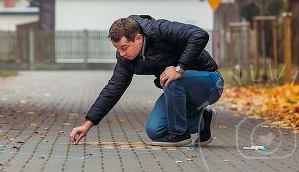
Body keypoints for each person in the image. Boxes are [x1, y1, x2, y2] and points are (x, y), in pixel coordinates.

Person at [70, 15, 225, 147]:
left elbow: (199, 35)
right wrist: (87, 124)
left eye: (124, 47)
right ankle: (203, 120)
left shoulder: (158, 29)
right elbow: (113, 89)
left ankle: (179, 135)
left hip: (210, 82)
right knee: (155, 131)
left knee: (171, 78)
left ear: (138, 38)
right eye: (117, 49)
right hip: (180, 90)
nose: (121, 53)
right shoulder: (126, 59)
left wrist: (179, 68)